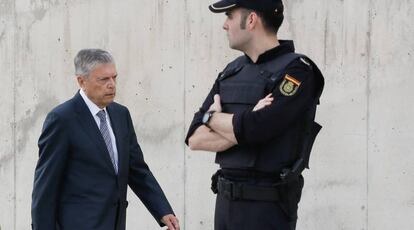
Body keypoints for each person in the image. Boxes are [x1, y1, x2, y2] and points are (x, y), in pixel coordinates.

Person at [185, 0, 324, 229]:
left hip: (267, 209)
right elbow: (194, 138)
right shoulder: (232, 71)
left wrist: (211, 118)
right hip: (225, 205)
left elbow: (259, 128)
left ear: (251, 20)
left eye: (229, 16)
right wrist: (245, 121)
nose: (224, 25)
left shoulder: (298, 70)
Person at [31, 49, 180, 230]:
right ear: (81, 81)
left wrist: (162, 210)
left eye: (114, 78)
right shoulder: (62, 119)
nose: (112, 85)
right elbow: (45, 187)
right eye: (103, 79)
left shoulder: (120, 114)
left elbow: (137, 169)